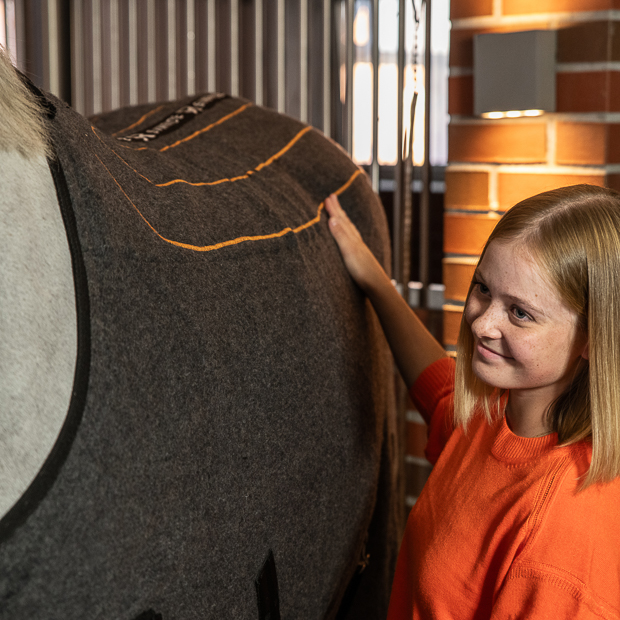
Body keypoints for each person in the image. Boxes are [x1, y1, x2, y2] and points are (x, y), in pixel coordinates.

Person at [325, 184, 620, 619]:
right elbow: (443, 395)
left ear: (593, 339)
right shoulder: (491, 417)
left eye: (520, 313)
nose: (482, 323)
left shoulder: (563, 536)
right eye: (483, 288)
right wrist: (375, 283)